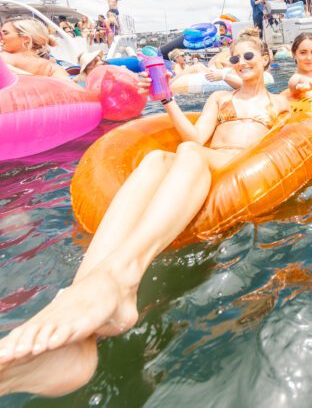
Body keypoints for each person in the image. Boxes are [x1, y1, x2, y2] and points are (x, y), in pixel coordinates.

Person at [0, 33, 292, 398]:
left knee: (188, 155)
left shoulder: (280, 105)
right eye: (234, 59)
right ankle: (82, 301)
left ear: (265, 59)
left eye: (248, 55)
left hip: (237, 163)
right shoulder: (221, 98)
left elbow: (283, 149)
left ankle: (120, 282)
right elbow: (196, 137)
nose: (241, 63)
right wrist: (166, 98)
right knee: (158, 157)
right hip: (205, 156)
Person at [0, 17, 69, 80]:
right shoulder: (54, 69)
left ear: (26, 39)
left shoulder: (4, 58)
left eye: (5, 33)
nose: (0, 37)